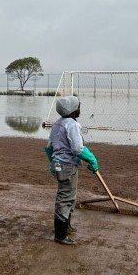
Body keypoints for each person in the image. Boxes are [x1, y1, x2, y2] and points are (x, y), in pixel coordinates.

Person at [44, 96, 99, 245]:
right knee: (66, 197)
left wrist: (53, 164)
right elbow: (77, 149)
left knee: (67, 194)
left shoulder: (57, 124)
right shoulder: (72, 125)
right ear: (74, 110)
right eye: (79, 106)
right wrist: (91, 159)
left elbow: (49, 147)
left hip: (58, 164)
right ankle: (60, 235)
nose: (80, 108)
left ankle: (66, 226)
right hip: (67, 165)